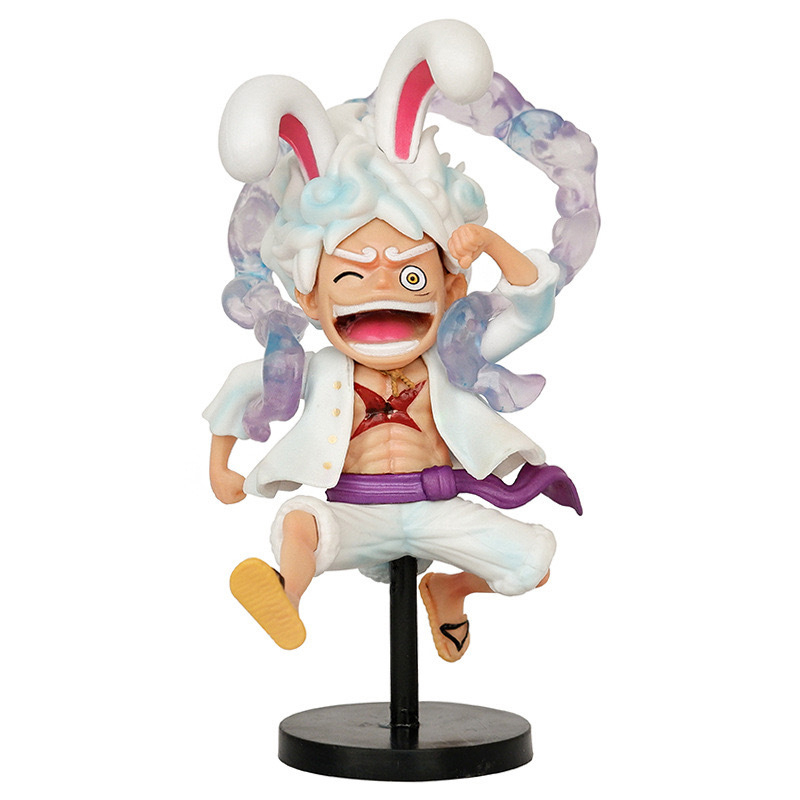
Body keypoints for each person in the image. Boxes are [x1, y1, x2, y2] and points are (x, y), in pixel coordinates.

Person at [205, 20, 594, 661]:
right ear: (311, 298)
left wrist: (490, 243)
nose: (383, 286)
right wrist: (220, 463)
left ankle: (451, 590)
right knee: (300, 523)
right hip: (354, 514)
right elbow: (243, 385)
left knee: (532, 561)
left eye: (411, 274)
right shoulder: (319, 369)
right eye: (352, 276)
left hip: (438, 509)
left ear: (450, 287)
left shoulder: (455, 353)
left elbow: (530, 308)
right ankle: (285, 598)